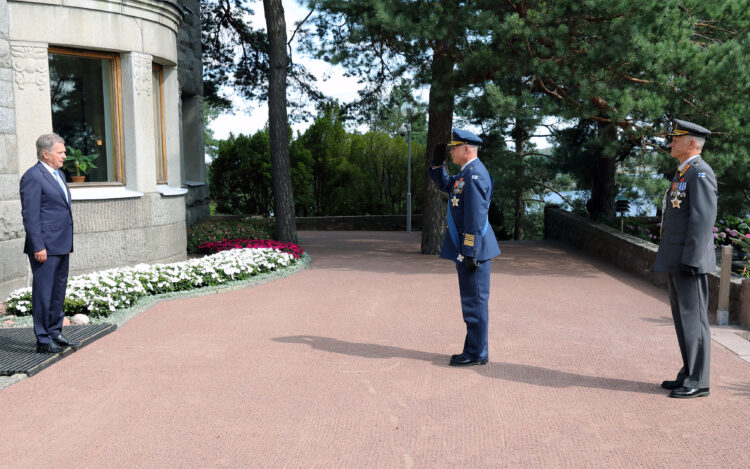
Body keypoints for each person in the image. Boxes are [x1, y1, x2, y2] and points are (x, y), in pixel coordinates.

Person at [653, 119, 717, 398]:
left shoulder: (700, 173)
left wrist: (691, 259)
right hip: (677, 257)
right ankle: (688, 372)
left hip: (688, 260)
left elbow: (702, 221)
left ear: (692, 143)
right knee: (683, 319)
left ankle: (698, 381)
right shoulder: (684, 173)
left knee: (694, 320)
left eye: (676, 138)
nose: (671, 143)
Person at [429, 128, 501, 366]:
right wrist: (437, 166)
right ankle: (473, 349)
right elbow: (448, 186)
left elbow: (475, 218)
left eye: (454, 148)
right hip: (469, 249)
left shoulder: (475, 175)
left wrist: (470, 251)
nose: (451, 151)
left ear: (466, 149)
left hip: (474, 250)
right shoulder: (466, 173)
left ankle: (477, 353)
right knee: (472, 301)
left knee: (475, 302)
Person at [20, 133, 79, 353]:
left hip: (61, 244)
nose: (65, 155)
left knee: (58, 291)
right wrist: (38, 246)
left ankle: (55, 332)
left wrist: (67, 243)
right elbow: (31, 215)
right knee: (44, 293)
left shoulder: (59, 175)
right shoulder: (33, 177)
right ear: (46, 154)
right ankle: (43, 340)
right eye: (60, 152)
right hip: (44, 247)